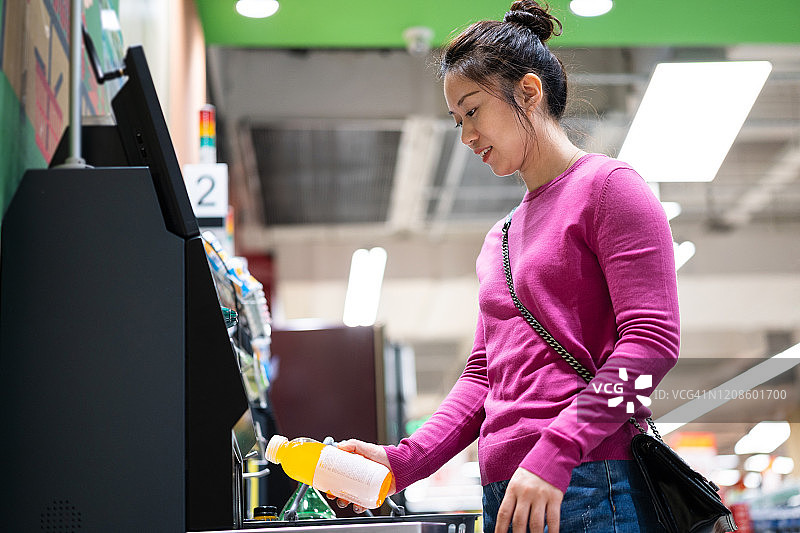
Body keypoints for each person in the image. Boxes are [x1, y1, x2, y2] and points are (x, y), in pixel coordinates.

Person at [335, 1, 680, 531]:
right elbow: (483, 376)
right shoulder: (499, 239)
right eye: (456, 120)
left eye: (472, 111)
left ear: (528, 91)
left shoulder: (610, 190)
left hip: (588, 478)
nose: (466, 135)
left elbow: (652, 346)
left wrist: (557, 451)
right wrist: (404, 462)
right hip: (506, 488)